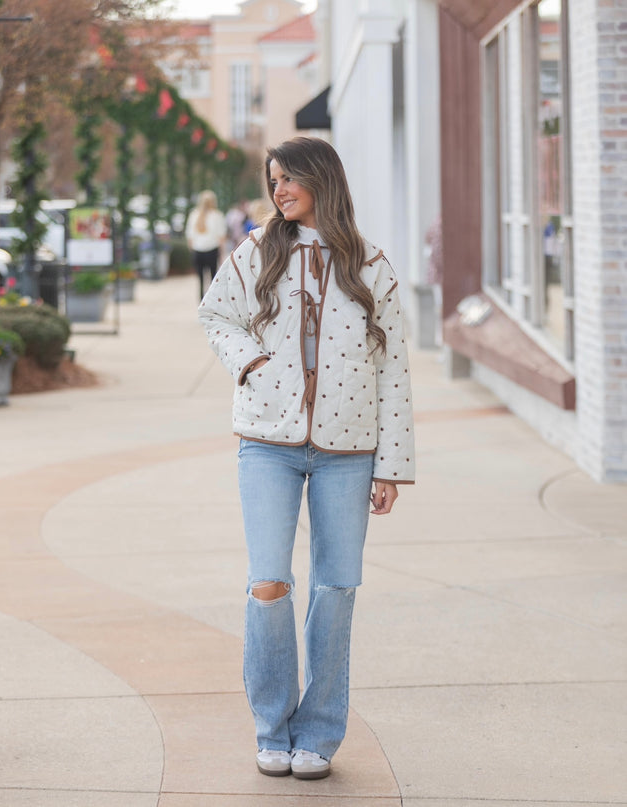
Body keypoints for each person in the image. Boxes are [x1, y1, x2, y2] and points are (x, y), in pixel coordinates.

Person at [198, 137, 415, 781]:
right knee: (269, 584)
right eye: (273, 181)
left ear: (323, 180)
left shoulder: (370, 264)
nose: (279, 191)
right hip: (267, 443)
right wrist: (254, 364)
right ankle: (273, 726)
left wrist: (391, 465)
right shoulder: (257, 250)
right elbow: (216, 318)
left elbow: (394, 369)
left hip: (349, 454)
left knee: (336, 588)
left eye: (289, 179)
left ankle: (317, 733)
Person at [185, 190, 227, 301]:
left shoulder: (194, 214)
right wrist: (222, 253)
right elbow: (221, 236)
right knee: (214, 278)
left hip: (197, 250)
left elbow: (189, 235)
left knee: (201, 279)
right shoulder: (217, 215)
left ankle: (201, 300)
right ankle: (213, 300)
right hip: (212, 249)